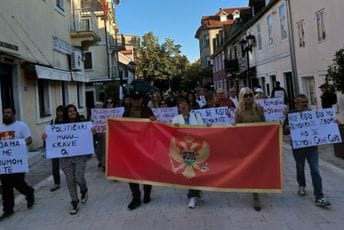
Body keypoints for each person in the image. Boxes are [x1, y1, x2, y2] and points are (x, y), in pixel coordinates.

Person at [43, 104, 93, 215]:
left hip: (80, 156)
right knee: (70, 180)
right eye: (70, 111)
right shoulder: (59, 126)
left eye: (74, 110)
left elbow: (89, 135)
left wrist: (92, 131)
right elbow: (51, 138)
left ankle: (84, 190)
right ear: (66, 113)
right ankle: (74, 202)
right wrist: (46, 137)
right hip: (65, 158)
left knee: (79, 178)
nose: (72, 112)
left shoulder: (82, 123)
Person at [283, 94, 331, 207]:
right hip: (298, 147)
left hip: (312, 147)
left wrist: (331, 123)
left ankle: (319, 196)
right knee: (300, 167)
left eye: (306, 102)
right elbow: (284, 131)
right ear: (297, 103)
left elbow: (321, 126)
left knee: (315, 170)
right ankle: (302, 185)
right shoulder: (291, 114)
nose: (305, 104)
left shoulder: (312, 113)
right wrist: (287, 128)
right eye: (303, 102)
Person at [0, 105, 35, 221]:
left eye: (8, 112)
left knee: (18, 183)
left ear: (13, 114)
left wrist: (24, 141)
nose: (6, 114)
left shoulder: (21, 126)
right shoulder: (0, 127)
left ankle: (29, 192)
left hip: (18, 162)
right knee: (6, 187)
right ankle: (8, 210)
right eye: (4, 112)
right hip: (4, 164)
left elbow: (29, 140)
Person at [123, 91, 156, 210]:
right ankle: (136, 197)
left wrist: (153, 120)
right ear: (130, 100)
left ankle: (147, 192)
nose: (136, 101)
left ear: (142, 99)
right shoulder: (126, 112)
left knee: (147, 171)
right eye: (134, 98)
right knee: (131, 173)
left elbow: (155, 126)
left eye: (138, 98)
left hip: (145, 146)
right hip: (131, 147)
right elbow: (121, 128)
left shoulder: (147, 111)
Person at [234, 87, 265, 211]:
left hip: (259, 144)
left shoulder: (259, 109)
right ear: (242, 97)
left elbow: (265, 125)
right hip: (247, 145)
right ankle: (255, 196)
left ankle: (255, 187)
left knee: (258, 168)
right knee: (252, 169)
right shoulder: (239, 111)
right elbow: (236, 128)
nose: (248, 97)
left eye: (250, 95)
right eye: (245, 95)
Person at [171, 98, 204, 209]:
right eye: (181, 105)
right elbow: (172, 133)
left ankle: (196, 193)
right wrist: (174, 128)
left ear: (188, 106)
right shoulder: (175, 119)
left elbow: (203, 129)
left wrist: (208, 126)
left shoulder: (196, 116)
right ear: (178, 108)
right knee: (191, 170)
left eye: (185, 104)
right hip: (184, 149)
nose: (183, 107)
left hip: (197, 147)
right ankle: (193, 196)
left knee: (197, 170)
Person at [49, 105, 64, 192]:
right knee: (55, 165)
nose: (60, 112)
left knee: (68, 164)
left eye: (61, 111)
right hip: (56, 147)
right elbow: (50, 132)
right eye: (58, 111)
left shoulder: (67, 121)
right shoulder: (53, 121)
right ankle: (56, 183)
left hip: (66, 146)